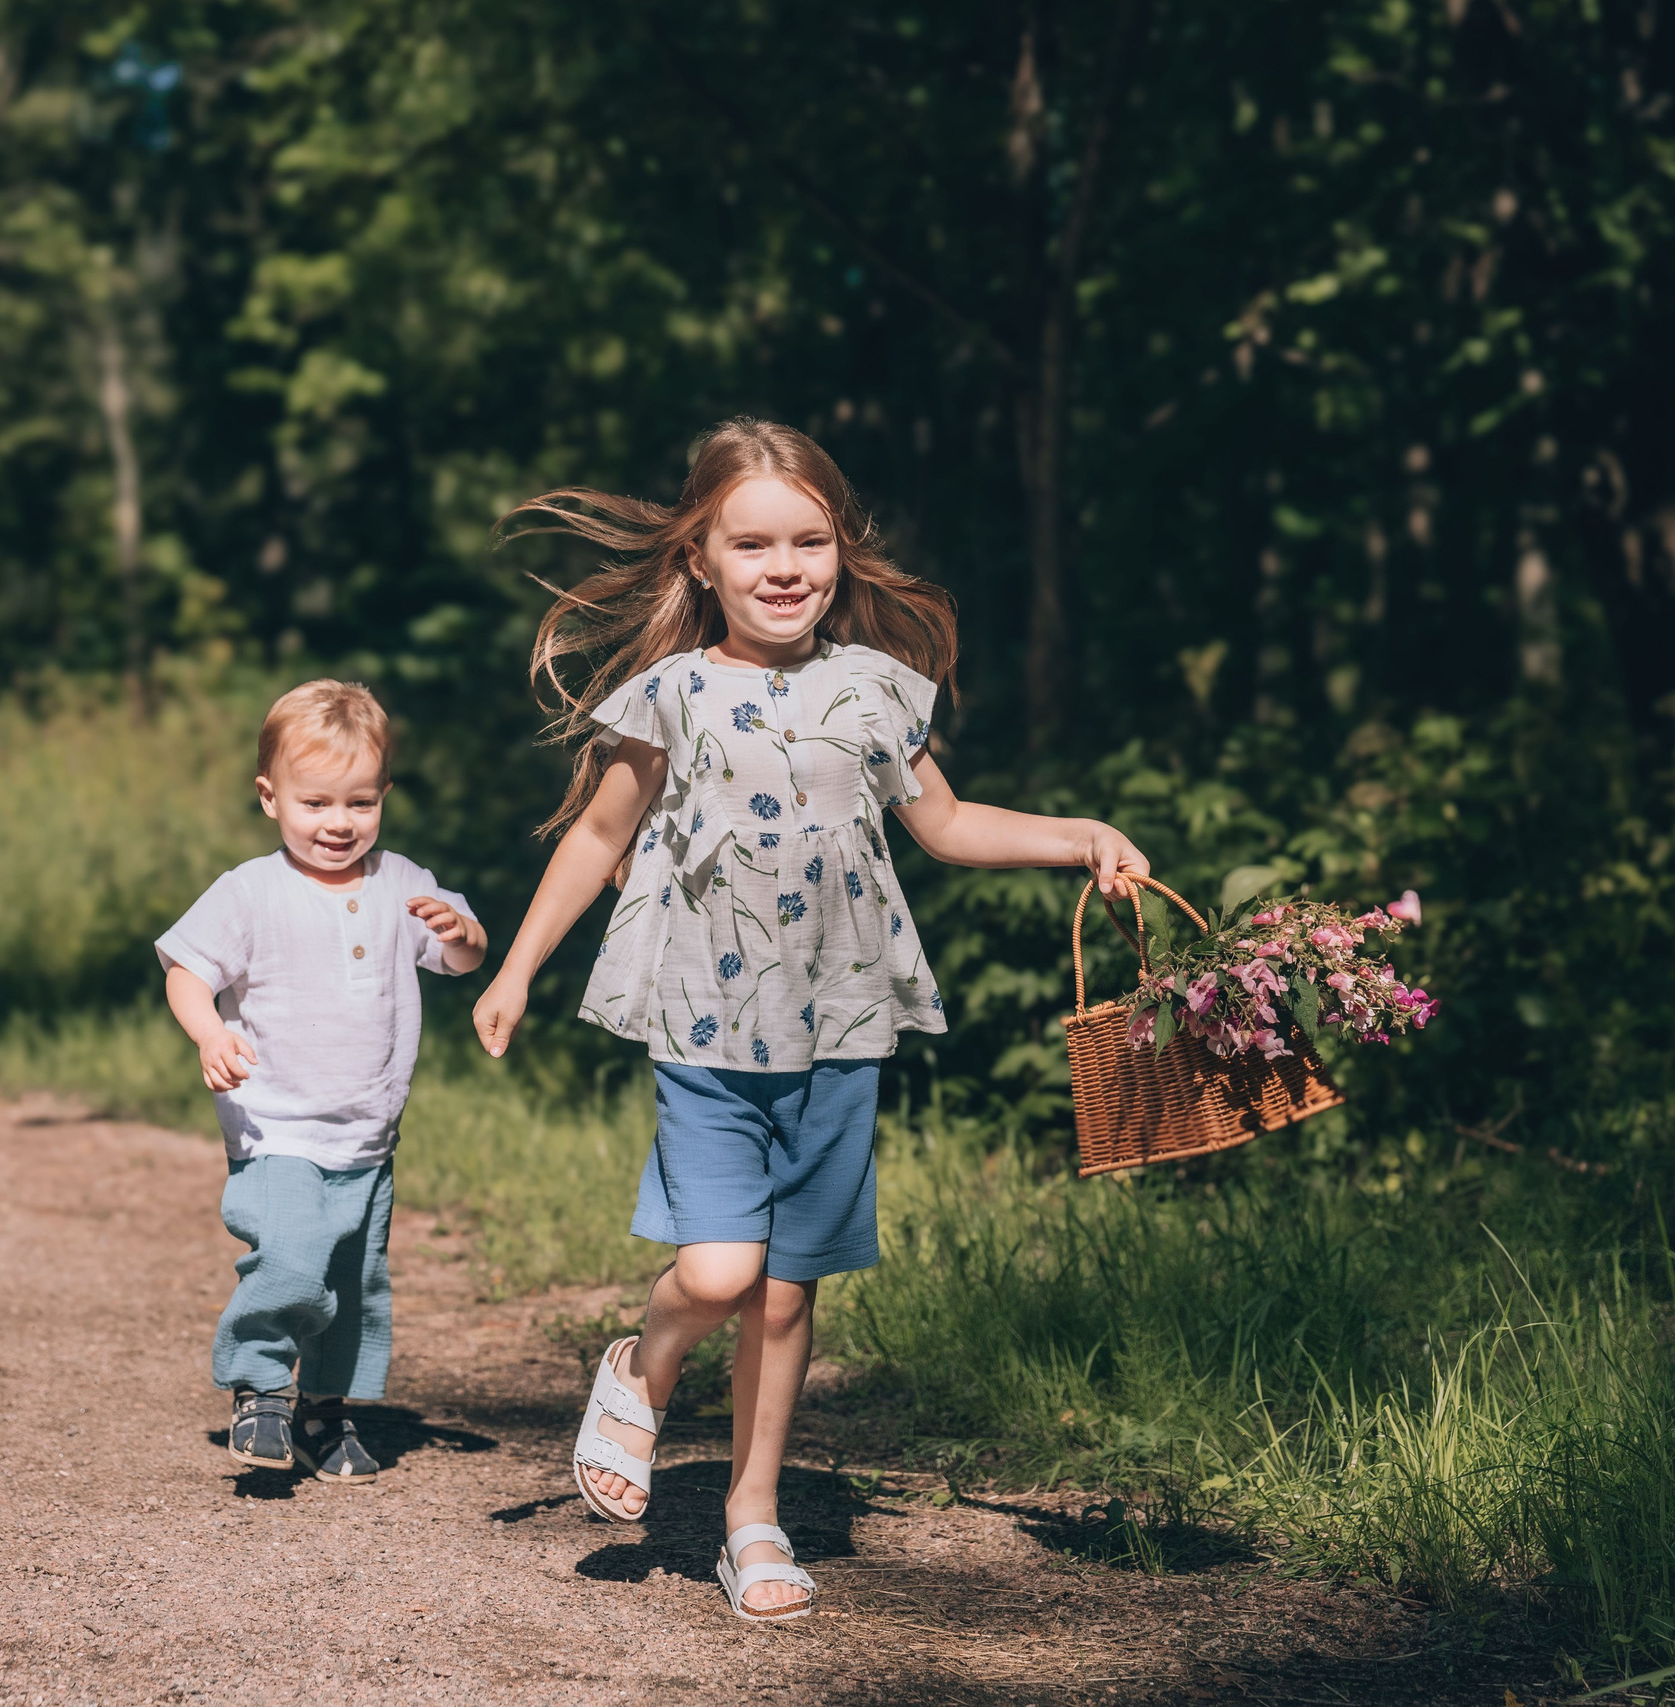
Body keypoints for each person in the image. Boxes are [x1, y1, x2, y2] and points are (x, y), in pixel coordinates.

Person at [471, 418, 1146, 1620]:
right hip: (706, 1023)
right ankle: (643, 1364)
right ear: (700, 559)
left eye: (809, 541)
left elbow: (943, 825)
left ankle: (752, 1518)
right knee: (721, 1269)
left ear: (842, 549)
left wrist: (1077, 838)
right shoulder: (671, 692)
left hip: (841, 1023)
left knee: (786, 1293)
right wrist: (516, 969)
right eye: (753, 545)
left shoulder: (876, 688)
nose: (784, 567)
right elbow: (597, 837)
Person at [158, 679, 486, 1479]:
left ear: (384, 797)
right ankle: (261, 1385)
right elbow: (185, 971)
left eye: (360, 803)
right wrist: (208, 1033)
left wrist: (466, 930)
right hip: (276, 1123)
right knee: (295, 1257)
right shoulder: (249, 890)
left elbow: (461, 958)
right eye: (316, 803)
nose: (339, 823)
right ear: (270, 797)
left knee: (354, 1283)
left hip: (367, 1130)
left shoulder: (404, 881)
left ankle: (325, 1411)